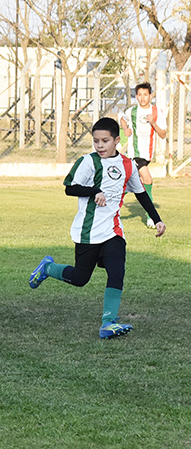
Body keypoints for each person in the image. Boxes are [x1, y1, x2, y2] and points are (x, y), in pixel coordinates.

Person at [29, 117, 166, 339]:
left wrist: (157, 219)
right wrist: (95, 191)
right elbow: (69, 188)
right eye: (96, 141)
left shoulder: (128, 165)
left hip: (113, 231)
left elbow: (140, 192)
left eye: (105, 141)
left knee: (117, 270)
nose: (100, 145)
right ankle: (47, 268)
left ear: (116, 141)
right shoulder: (87, 162)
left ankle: (108, 322)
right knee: (80, 278)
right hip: (87, 232)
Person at [119, 82, 167, 228]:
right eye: (139, 95)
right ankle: (151, 218)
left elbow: (163, 134)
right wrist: (126, 129)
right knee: (148, 180)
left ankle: (112, 202)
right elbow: (122, 119)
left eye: (145, 94)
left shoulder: (157, 112)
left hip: (147, 155)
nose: (142, 98)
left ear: (150, 96)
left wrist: (153, 122)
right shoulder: (132, 111)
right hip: (135, 154)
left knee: (131, 185)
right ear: (136, 96)